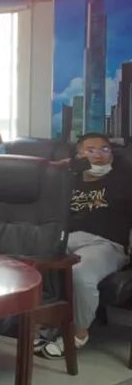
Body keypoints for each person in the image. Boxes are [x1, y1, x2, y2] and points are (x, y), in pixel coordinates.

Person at [38, 134, 132, 359]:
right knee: (34, 259)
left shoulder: (123, 181)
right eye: (91, 150)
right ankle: (46, 323)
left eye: (105, 149)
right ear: (79, 155)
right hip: (65, 239)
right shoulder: (68, 181)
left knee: (80, 273)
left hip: (105, 244)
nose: (99, 155)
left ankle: (78, 333)